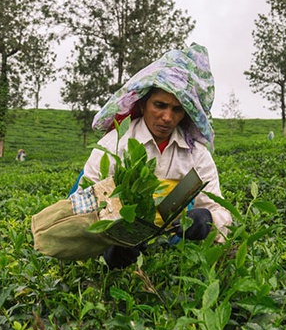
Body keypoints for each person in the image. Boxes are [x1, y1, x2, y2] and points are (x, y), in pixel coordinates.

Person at [76, 43, 232, 269]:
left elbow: (222, 212)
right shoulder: (115, 144)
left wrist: (209, 220)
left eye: (177, 109)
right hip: (118, 243)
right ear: (143, 103)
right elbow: (81, 208)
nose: (167, 117)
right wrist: (107, 244)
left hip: (170, 244)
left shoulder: (196, 154)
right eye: (160, 105)